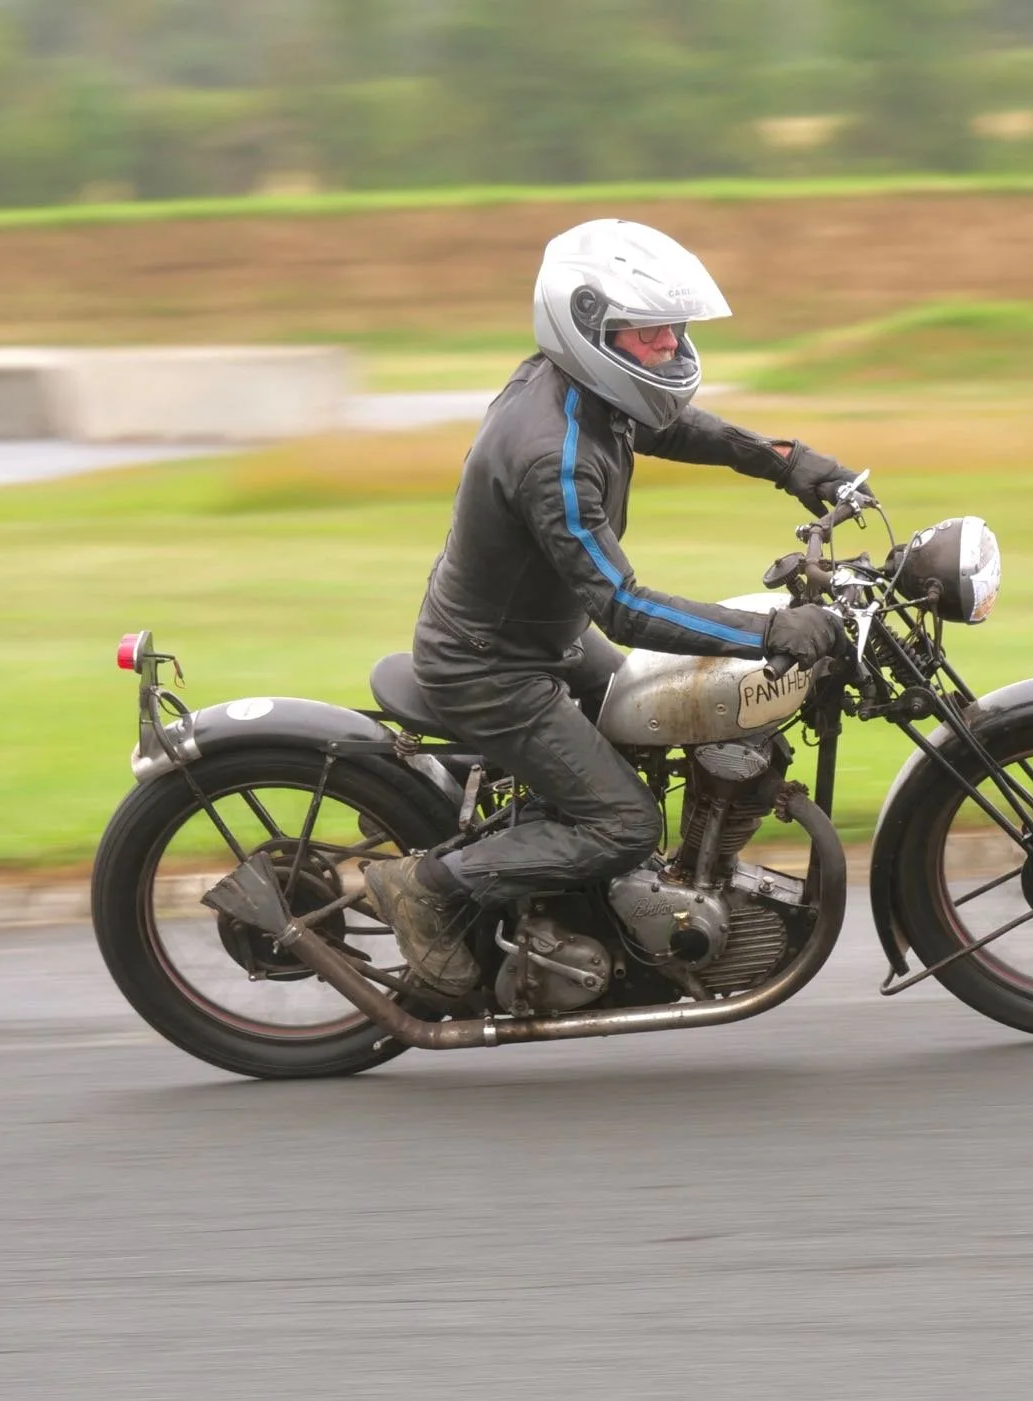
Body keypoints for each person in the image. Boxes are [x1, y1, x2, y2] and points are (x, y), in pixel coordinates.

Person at [362, 218, 861, 998]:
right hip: (491, 668)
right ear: (589, 328)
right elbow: (622, 607)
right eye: (646, 331)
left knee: (660, 721)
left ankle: (607, 900)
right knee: (625, 824)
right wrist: (769, 630)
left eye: (673, 329)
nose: (668, 345)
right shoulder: (551, 457)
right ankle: (427, 886)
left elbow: (668, 425)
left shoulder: (581, 391)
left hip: (538, 637)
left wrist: (783, 461)